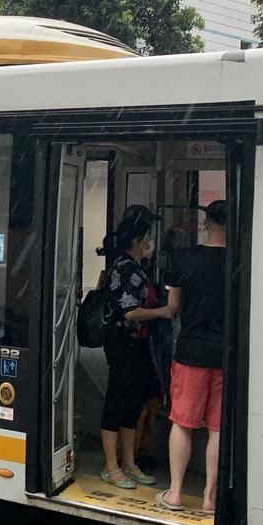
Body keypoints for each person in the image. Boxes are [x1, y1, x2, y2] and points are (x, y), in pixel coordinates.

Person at [158, 200, 229, 514]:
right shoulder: (239, 260)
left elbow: (173, 306)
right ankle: (209, 499)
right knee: (217, 428)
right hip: (226, 355)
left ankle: (174, 493)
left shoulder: (185, 258)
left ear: (206, 225)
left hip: (191, 350)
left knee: (183, 422)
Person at [99, 205, 171, 489]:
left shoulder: (135, 268)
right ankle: (111, 465)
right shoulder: (125, 268)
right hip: (123, 343)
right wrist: (162, 312)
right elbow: (129, 312)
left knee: (133, 403)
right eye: (147, 237)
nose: (150, 242)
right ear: (138, 240)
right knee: (118, 402)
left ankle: (129, 462)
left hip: (138, 343)